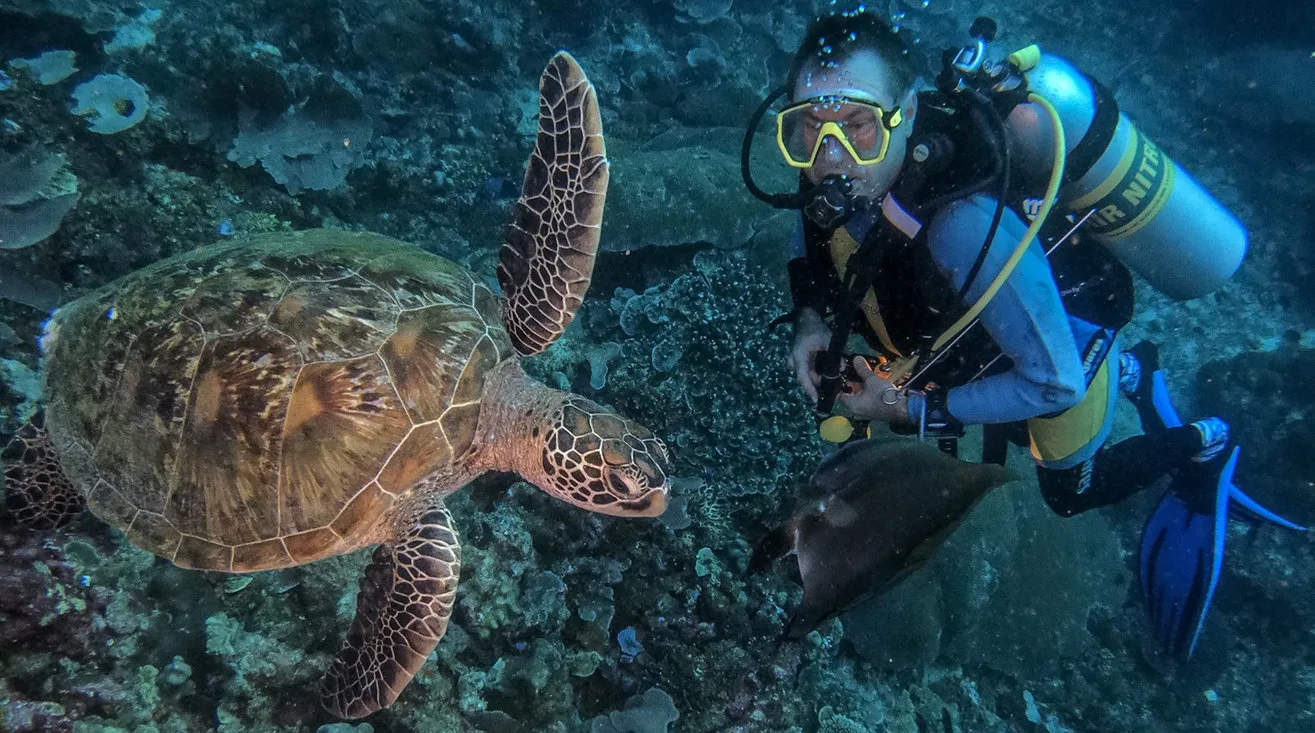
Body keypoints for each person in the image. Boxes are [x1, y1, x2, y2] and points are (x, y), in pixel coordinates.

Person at [742, 8, 1304, 659]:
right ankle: (1133, 374)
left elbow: (1054, 381)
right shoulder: (837, 164)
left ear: (908, 113)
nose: (829, 155)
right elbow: (807, 236)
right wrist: (810, 319)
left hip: (1060, 340)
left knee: (1070, 488)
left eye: (858, 125)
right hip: (985, 329)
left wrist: (911, 405)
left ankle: (1205, 440)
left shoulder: (963, 227)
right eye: (806, 127)